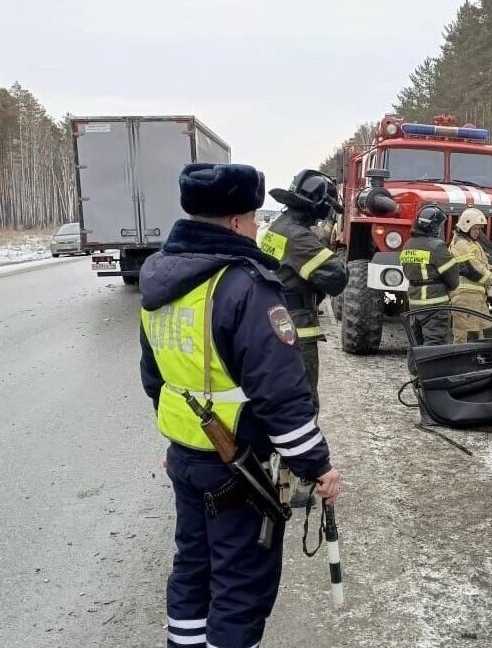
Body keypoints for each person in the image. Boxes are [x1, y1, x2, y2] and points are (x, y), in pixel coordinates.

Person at [139, 162, 341, 648]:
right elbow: (281, 396)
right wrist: (317, 466)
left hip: (186, 457)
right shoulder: (243, 286)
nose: (256, 228)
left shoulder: (161, 281)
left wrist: (179, 442)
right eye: (252, 219)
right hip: (236, 464)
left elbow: (155, 378)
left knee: (193, 568)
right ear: (234, 221)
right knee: (241, 584)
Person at [263, 169, 349, 410]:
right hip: (296, 327)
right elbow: (337, 277)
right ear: (320, 205)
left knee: (283, 398)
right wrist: (328, 246)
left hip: (278, 319)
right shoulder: (299, 237)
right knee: (303, 401)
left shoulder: (279, 226)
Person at [400, 204, 459, 348]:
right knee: (435, 342)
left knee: (416, 342)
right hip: (435, 305)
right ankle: (430, 364)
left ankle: (414, 363)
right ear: (433, 227)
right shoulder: (437, 246)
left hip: (415, 303)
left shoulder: (408, 245)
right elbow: (453, 280)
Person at [448, 207, 492, 342]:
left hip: (477, 298)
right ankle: (462, 357)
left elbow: (482, 264)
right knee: (467, 337)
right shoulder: (461, 244)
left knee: (486, 333)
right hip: (465, 298)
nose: (478, 232)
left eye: (479, 229)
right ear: (465, 227)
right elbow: (473, 269)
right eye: (475, 228)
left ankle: (484, 356)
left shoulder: (472, 243)